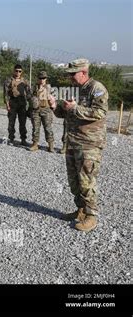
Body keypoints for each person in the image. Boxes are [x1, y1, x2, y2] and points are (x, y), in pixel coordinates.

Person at [51, 58, 108, 232]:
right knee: (74, 180)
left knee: (86, 180)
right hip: (73, 141)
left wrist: (75, 108)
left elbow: (100, 113)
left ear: (83, 72)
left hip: (89, 143)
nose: (70, 77)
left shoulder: (96, 89)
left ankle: (91, 216)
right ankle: (81, 210)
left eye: (72, 74)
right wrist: (55, 107)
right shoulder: (74, 90)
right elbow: (65, 113)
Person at [3, 64, 32, 146]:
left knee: (22, 123)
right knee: (11, 122)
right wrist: (7, 105)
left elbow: (29, 93)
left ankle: (23, 139)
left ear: (21, 72)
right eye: (16, 71)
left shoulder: (25, 81)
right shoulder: (9, 80)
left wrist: (30, 104)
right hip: (13, 103)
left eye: (20, 71)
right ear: (13, 71)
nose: (18, 73)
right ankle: (11, 139)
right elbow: (6, 94)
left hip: (22, 103)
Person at [30, 71, 55, 152]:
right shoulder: (34, 87)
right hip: (36, 111)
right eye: (40, 78)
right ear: (38, 78)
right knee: (35, 128)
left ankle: (50, 145)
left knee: (48, 128)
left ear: (46, 79)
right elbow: (29, 96)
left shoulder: (49, 88)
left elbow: (54, 99)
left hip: (46, 110)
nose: (42, 80)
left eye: (43, 78)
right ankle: (35, 144)